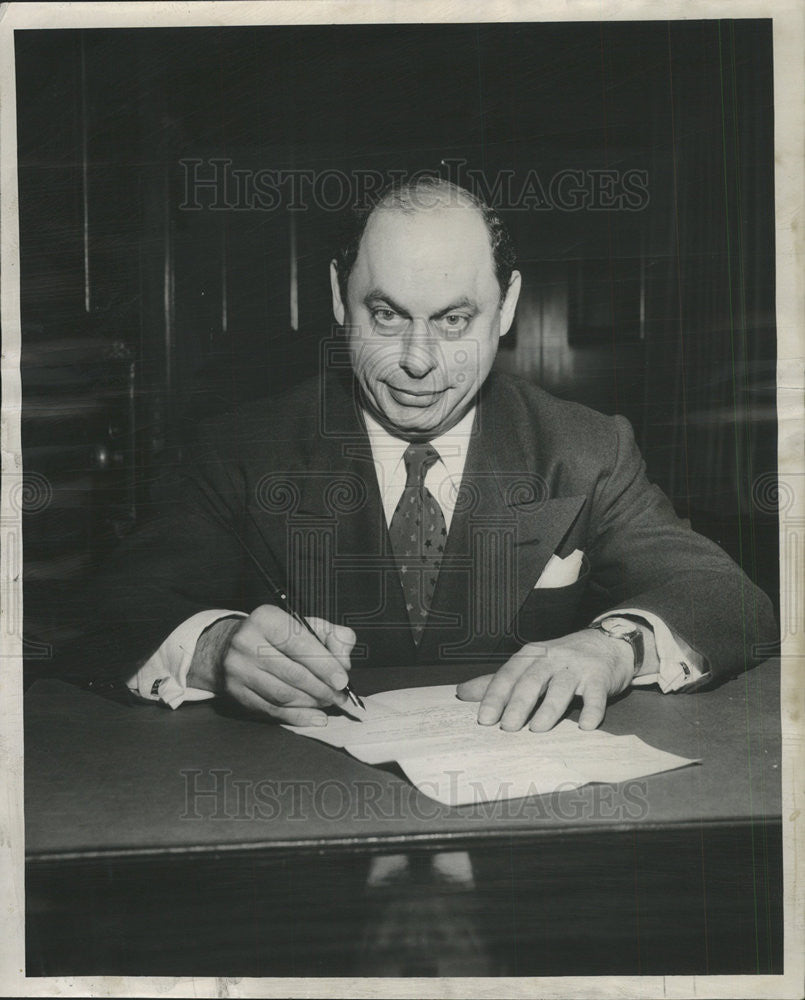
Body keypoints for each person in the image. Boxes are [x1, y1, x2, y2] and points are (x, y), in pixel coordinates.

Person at [85, 176, 776, 732]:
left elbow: (730, 602)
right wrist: (213, 649)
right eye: (386, 315)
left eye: (454, 320)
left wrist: (611, 647)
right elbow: (107, 610)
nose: (418, 362)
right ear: (337, 296)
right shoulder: (241, 449)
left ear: (506, 307)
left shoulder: (586, 448)